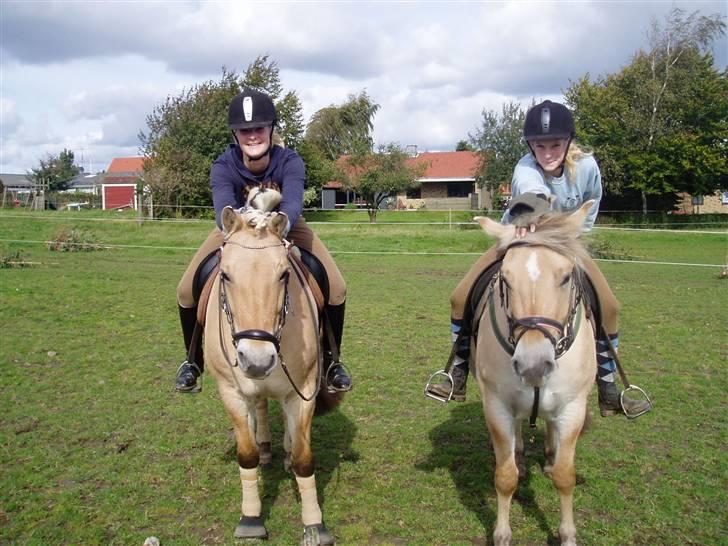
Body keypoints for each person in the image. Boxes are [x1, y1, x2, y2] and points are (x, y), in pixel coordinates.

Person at [427, 100, 650, 418]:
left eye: (555, 144)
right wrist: (534, 215)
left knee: (610, 306)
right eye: (539, 145)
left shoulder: (587, 167)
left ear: (568, 142)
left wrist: (573, 241)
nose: (547, 152)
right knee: (460, 296)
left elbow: (591, 204)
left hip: (566, 246)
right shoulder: (525, 168)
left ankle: (609, 384)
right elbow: (534, 197)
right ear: (530, 145)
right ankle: (458, 371)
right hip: (517, 239)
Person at [174, 89, 352, 394]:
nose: (252, 136)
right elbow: (223, 210)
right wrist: (240, 224)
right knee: (184, 291)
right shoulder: (223, 165)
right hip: (235, 231)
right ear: (235, 134)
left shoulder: (290, 161)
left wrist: (278, 225)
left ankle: (332, 360)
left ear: (270, 129)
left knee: (336, 288)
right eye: (245, 131)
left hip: (286, 228)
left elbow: (293, 202)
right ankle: (193, 362)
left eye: (258, 128)